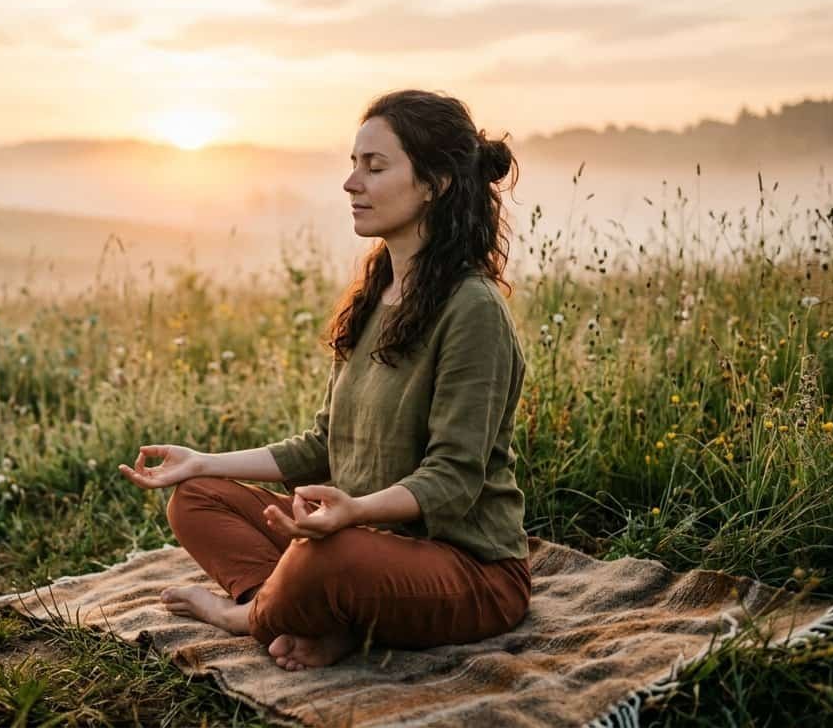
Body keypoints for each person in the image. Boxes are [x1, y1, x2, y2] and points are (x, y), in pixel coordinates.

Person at [118, 89, 530, 672]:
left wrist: (353, 513)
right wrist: (204, 462)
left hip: (466, 570)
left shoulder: (473, 310)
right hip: (354, 544)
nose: (351, 183)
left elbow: (453, 479)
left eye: (375, 166)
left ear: (435, 184)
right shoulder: (376, 295)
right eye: (353, 164)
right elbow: (322, 443)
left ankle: (250, 614)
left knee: (325, 560)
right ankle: (310, 612)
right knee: (197, 499)